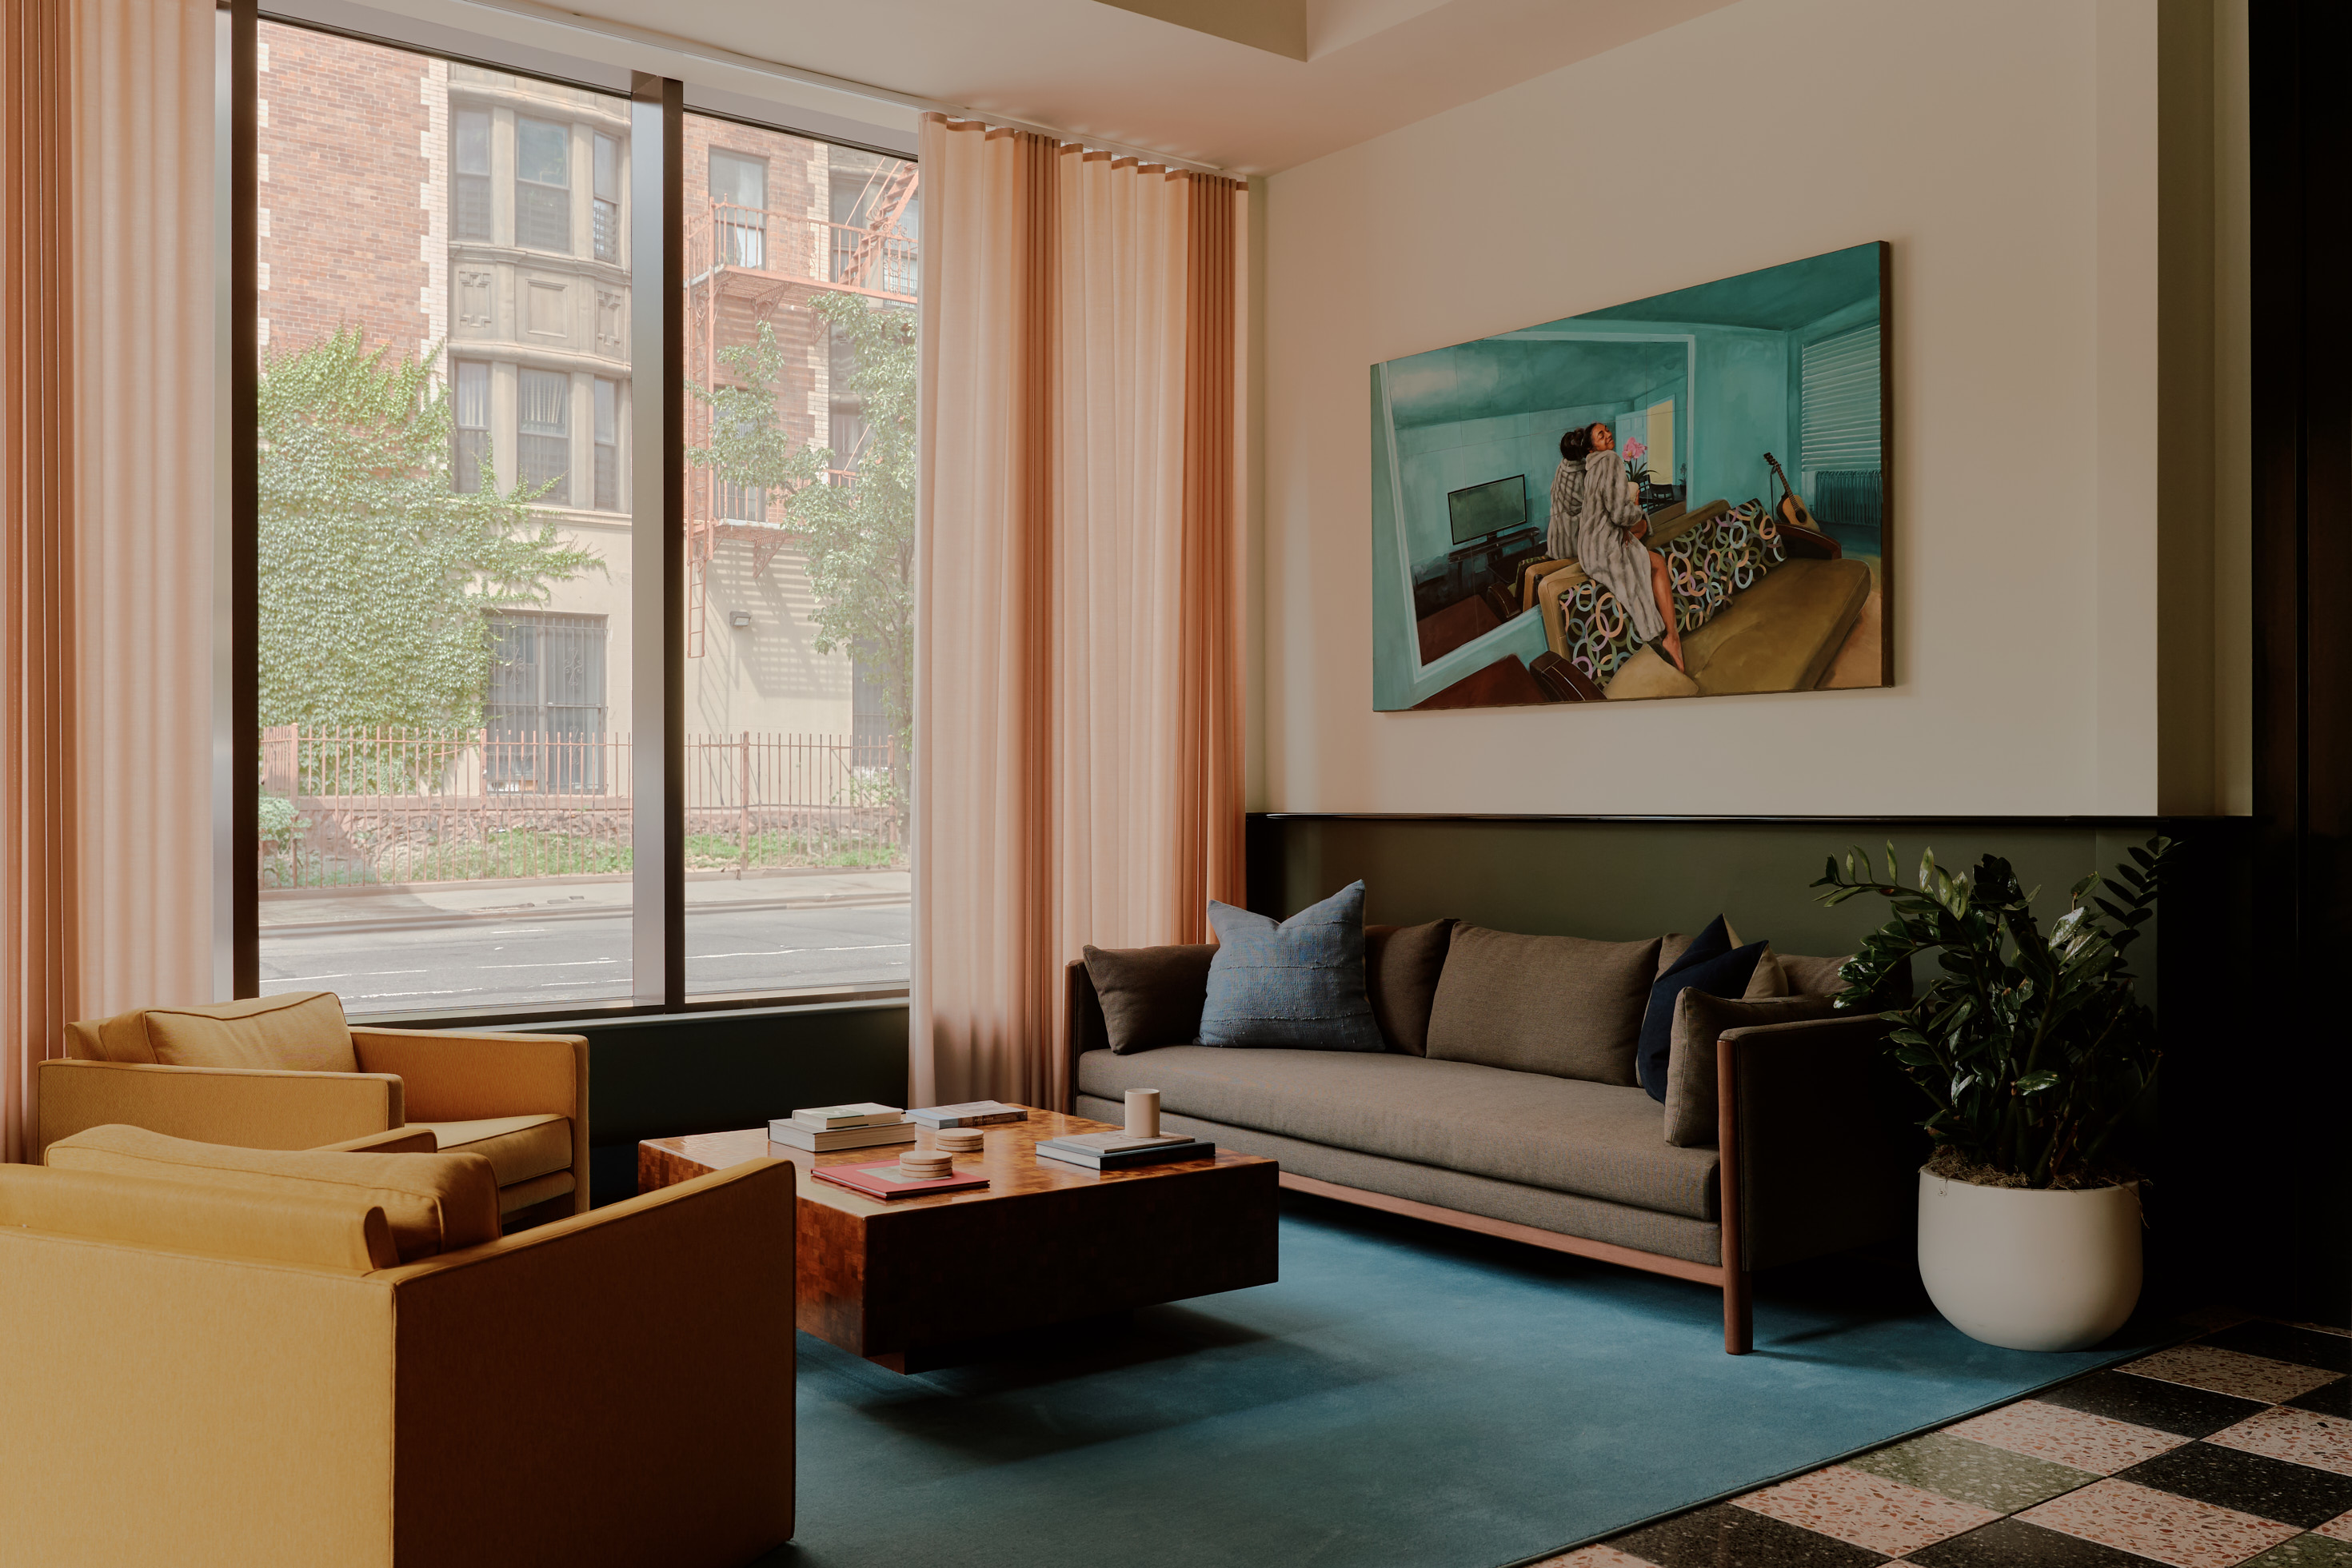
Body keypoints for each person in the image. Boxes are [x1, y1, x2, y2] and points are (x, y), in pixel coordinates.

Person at [1548, 422, 1684, 674]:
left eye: (1607, 431)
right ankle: (1669, 638)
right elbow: (1621, 513)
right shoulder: (1610, 461)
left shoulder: (1591, 466)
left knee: (1646, 561)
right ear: (1592, 446)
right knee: (1655, 564)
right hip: (1604, 548)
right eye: (1602, 434)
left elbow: (1606, 510)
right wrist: (1640, 514)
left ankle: (1667, 639)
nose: (1609, 435)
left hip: (1589, 547)